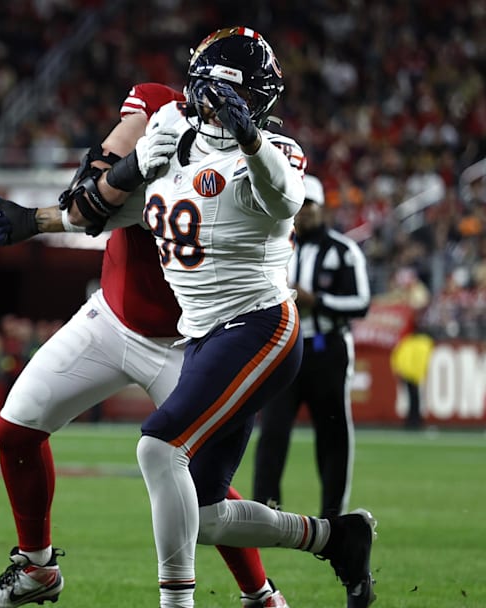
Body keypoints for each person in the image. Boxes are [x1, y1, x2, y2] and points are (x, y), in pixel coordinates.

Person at [59, 27, 378, 608]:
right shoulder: (171, 129)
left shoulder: (278, 151)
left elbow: (286, 198)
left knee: (158, 448)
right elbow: (106, 209)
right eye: (220, 94)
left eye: (242, 100)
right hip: (203, 337)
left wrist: (251, 138)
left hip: (259, 327)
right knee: (202, 516)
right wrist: (47, 214)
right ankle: (335, 537)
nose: (225, 107)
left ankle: (177, 603)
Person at [0, 83, 289, 608]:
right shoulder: (163, 118)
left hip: (194, 339)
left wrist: (51, 215)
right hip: (113, 318)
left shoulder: (241, 162)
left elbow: (92, 209)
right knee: (16, 427)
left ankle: (261, 594)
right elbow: (89, 196)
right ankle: (37, 568)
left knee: (200, 481)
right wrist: (66, 204)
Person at [252, 175, 371, 518]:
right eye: (298, 206)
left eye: (309, 206)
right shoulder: (276, 246)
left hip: (327, 348)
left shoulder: (343, 250)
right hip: (285, 347)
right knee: (272, 431)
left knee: (333, 433)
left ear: (322, 208)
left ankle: (333, 514)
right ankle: (266, 512)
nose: (302, 214)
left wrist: (316, 301)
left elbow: (361, 303)